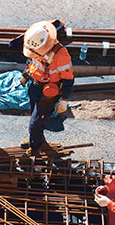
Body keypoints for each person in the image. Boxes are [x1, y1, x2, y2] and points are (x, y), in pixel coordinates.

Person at [18, 21, 74, 156]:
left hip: (48, 94)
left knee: (34, 123)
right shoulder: (35, 47)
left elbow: (69, 80)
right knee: (34, 116)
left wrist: (64, 100)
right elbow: (32, 60)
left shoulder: (61, 56)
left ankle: (35, 146)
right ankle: (37, 138)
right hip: (35, 87)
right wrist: (26, 74)